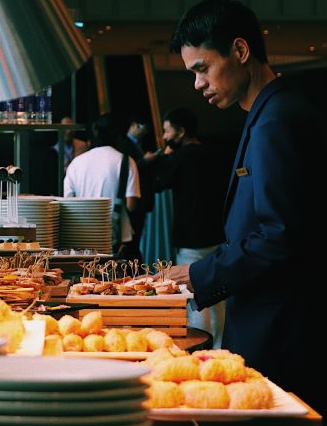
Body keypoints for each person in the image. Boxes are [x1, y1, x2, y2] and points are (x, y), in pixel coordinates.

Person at [167, 0, 327, 426]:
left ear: (240, 51)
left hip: (290, 332)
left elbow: (280, 235)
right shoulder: (272, 113)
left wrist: (200, 274)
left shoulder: (278, 121)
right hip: (287, 325)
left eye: (202, 68)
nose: (197, 84)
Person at [154, 106, 230, 347]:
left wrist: (164, 156)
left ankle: (200, 349)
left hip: (191, 237)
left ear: (181, 131)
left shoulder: (178, 157)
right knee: (219, 295)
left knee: (195, 296)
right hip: (219, 233)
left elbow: (159, 183)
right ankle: (220, 346)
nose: (165, 137)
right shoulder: (217, 153)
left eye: (167, 131)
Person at [64, 113, 140, 256]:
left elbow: (67, 201)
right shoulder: (126, 162)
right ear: (119, 136)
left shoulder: (76, 163)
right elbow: (131, 204)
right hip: (116, 241)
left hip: (81, 237)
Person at [122, 117, 154, 260]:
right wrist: (144, 161)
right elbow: (128, 169)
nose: (144, 131)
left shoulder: (137, 143)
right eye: (141, 127)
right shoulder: (126, 144)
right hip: (131, 200)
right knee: (132, 245)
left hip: (141, 200)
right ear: (133, 125)